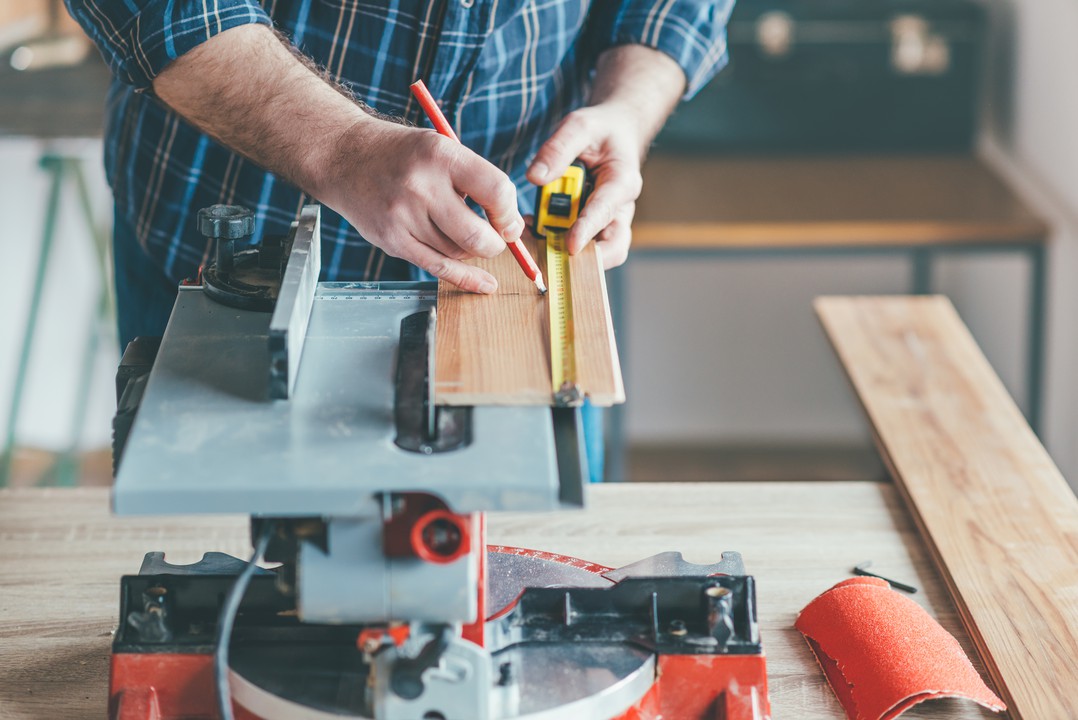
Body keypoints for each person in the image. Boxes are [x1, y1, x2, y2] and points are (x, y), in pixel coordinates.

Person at [66, 0, 733, 481]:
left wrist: (629, 106)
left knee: (530, 558)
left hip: (512, 253)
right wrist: (341, 147)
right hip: (233, 242)